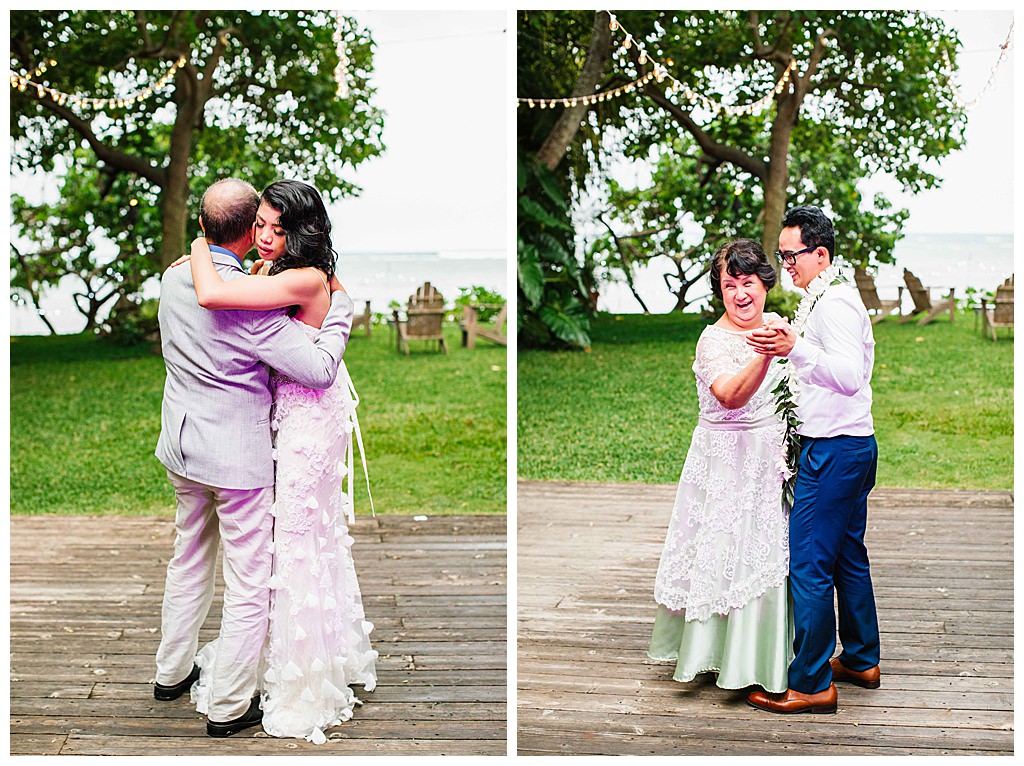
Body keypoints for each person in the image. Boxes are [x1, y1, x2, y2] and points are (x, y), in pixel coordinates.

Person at [153, 178, 355, 738]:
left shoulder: (173, 278)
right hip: (236, 461)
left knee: (188, 556)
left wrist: (197, 248)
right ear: (249, 232)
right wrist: (340, 313)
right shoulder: (255, 309)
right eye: (261, 225)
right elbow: (316, 369)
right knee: (248, 581)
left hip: (181, 445)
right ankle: (229, 707)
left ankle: (170, 673)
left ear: (202, 227)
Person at [745, 205, 880, 715]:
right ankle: (863, 658)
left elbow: (850, 376)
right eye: (780, 256)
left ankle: (812, 682)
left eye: (791, 256)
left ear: (820, 255)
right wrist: (791, 346)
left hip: (835, 449)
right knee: (846, 554)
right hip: (849, 444)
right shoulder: (823, 301)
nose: (785, 266)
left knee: (809, 562)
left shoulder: (834, 305)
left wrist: (796, 346)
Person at [648, 238, 793, 694]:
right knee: (722, 550)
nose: (740, 294)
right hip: (723, 465)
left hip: (769, 463)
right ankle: (712, 654)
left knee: (765, 553)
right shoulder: (712, 339)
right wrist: (765, 352)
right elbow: (730, 395)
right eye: (730, 285)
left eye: (747, 282)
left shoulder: (779, 327)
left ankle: (763, 655)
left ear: (765, 284)